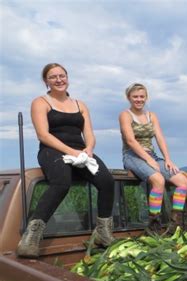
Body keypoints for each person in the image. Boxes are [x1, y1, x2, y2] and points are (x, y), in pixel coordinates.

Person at [16, 63, 115, 258]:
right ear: (46, 81)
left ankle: (103, 233)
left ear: (67, 78)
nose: (59, 80)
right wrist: (71, 152)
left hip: (80, 151)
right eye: (53, 77)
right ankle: (30, 238)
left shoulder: (80, 105)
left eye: (62, 75)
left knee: (107, 181)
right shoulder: (40, 102)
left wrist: (88, 149)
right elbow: (43, 135)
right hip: (52, 151)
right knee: (61, 183)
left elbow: (89, 134)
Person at [119, 83, 187, 235]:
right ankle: (154, 225)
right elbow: (130, 140)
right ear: (129, 98)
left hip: (152, 155)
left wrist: (167, 159)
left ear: (146, 97)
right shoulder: (125, 115)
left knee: (182, 181)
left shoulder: (152, 115)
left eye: (142, 96)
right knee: (158, 180)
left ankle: (175, 224)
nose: (139, 99)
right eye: (135, 97)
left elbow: (160, 137)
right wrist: (148, 160)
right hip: (132, 155)